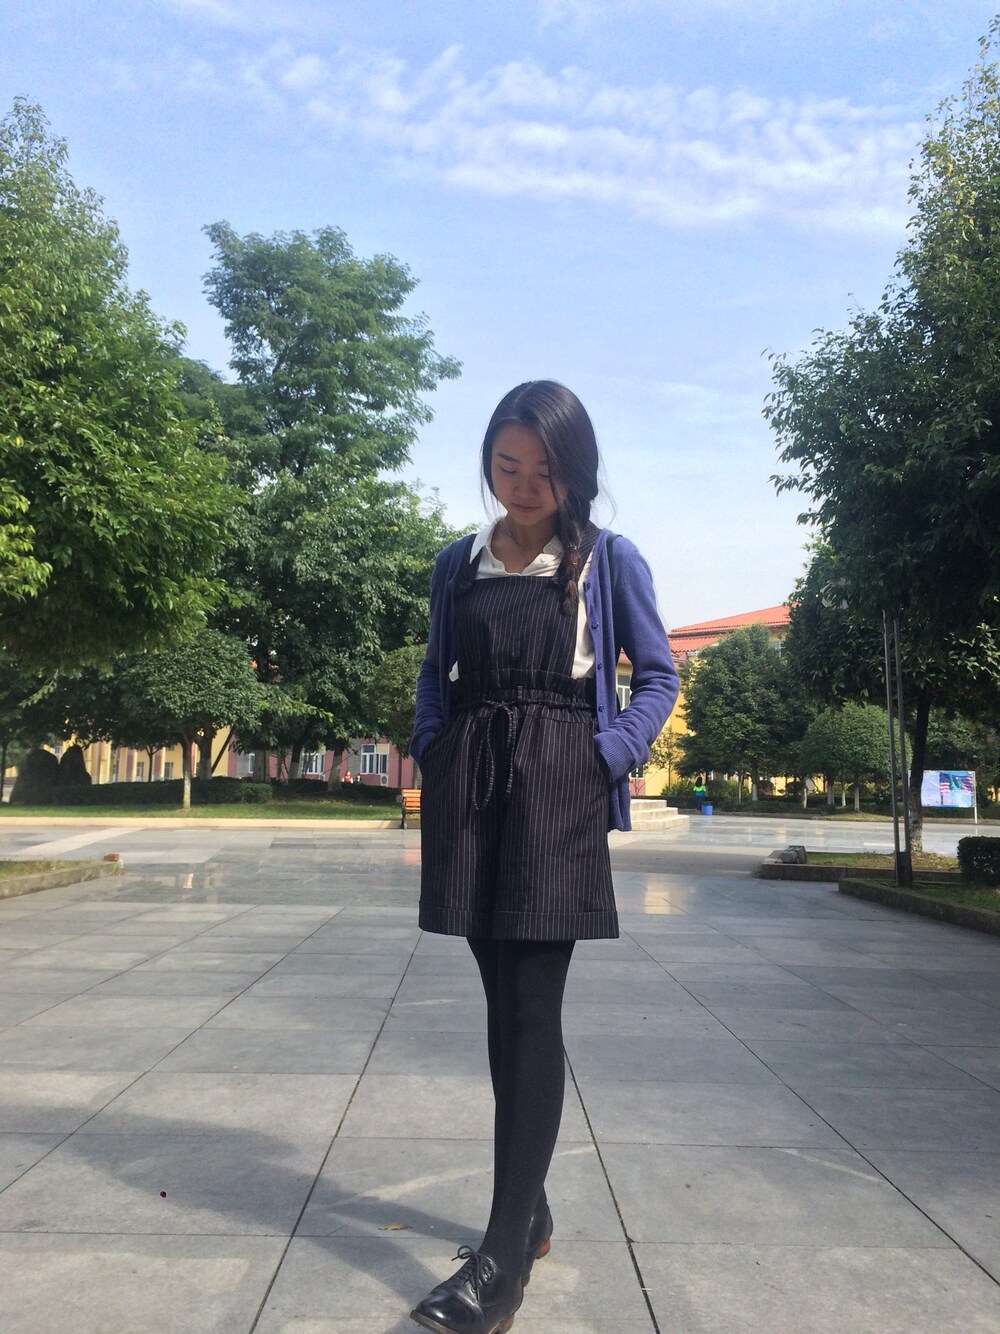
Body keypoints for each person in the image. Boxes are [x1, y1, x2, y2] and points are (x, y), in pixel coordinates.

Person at [408, 380, 678, 1334]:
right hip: (472, 786)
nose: (522, 486)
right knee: (506, 1011)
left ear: (575, 473)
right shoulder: (458, 562)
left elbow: (659, 675)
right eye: (506, 465)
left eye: (543, 470)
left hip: (559, 786)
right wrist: (433, 749)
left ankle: (501, 1264)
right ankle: (530, 1209)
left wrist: (607, 755)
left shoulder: (608, 560)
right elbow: (433, 672)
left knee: (531, 1008)